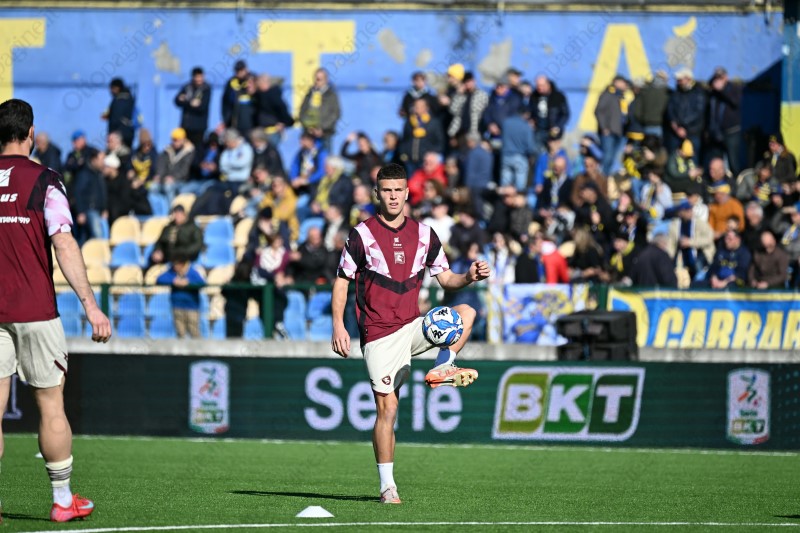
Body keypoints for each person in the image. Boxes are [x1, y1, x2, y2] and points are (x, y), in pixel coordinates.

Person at [331, 163, 491, 504]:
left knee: (467, 312)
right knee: (388, 409)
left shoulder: (425, 234)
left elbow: (446, 279)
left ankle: (443, 367)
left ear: (407, 193)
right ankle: (387, 487)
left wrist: (469, 277)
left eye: (398, 190)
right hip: (379, 334)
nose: (393, 196)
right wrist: (338, 325)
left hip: (412, 326)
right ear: (377, 193)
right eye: (386, 190)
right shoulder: (361, 234)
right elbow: (342, 281)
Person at [0, 98, 111, 521]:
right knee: (50, 405)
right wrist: (91, 307)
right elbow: (63, 242)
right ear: (31, 133)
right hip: (35, 310)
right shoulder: (45, 179)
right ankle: (63, 501)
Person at [156, 253, 206, 338]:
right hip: (177, 307)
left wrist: (188, 283)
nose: (174, 266)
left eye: (176, 264)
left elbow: (201, 283)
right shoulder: (172, 272)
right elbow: (160, 279)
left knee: (195, 333)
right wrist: (174, 281)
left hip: (192, 308)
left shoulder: (192, 272)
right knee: (180, 334)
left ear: (182, 264)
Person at [299, 67, 341, 152]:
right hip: (309, 135)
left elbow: (335, 114)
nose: (316, 81)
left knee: (326, 157)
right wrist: (309, 127)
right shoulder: (310, 93)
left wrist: (321, 128)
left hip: (325, 134)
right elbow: (302, 112)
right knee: (309, 158)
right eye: (315, 78)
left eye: (319, 79)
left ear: (326, 80)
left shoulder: (331, 95)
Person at [174, 66, 211, 149]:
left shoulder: (206, 88)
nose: (199, 79)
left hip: (199, 127)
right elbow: (177, 101)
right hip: (186, 125)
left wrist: (186, 100)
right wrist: (191, 102)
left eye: (200, 77)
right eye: (197, 77)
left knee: (198, 149)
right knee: (185, 149)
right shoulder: (187, 87)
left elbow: (202, 107)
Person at [102, 78, 137, 147]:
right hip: (128, 133)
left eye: (112, 88)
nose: (111, 91)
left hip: (119, 135)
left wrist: (112, 134)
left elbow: (116, 118)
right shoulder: (129, 98)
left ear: (117, 88)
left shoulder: (119, 100)